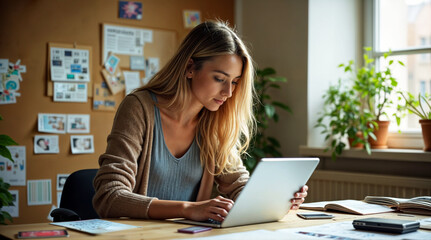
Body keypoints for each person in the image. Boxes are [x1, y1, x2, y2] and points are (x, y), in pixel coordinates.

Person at [93, 20, 308, 222]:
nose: (228, 92)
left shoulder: (214, 122)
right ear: (189, 68)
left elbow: (238, 184)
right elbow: (110, 196)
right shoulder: (139, 108)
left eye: (234, 82)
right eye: (219, 79)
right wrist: (187, 209)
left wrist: (277, 198)